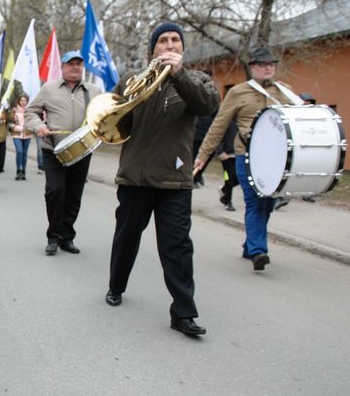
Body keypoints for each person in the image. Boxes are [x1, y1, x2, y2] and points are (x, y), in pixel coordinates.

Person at [105, 21, 219, 336]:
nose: (169, 45)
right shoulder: (131, 79)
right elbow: (115, 121)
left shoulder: (197, 80)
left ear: (182, 48)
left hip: (174, 182)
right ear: (153, 48)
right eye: (163, 41)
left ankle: (183, 313)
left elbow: (206, 105)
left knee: (177, 247)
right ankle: (116, 285)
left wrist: (179, 74)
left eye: (175, 41)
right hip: (135, 178)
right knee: (126, 238)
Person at [193, 47, 303, 271]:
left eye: (271, 64)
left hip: (276, 160)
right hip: (247, 156)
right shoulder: (237, 92)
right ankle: (258, 251)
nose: (267, 68)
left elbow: (299, 120)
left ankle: (249, 244)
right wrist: (203, 155)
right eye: (262, 64)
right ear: (252, 67)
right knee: (254, 202)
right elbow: (219, 125)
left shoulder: (286, 91)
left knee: (268, 203)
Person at [25, 50, 101, 255]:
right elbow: (30, 112)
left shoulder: (94, 91)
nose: (75, 67)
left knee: (74, 196)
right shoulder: (49, 89)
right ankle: (53, 237)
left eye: (79, 63)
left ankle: (67, 237)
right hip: (53, 150)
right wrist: (38, 126)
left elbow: (104, 114)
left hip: (82, 151)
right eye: (71, 63)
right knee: (55, 192)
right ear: (63, 67)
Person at [8, 93, 33, 180]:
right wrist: (17, 128)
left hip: (27, 134)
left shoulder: (30, 111)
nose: (23, 102)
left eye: (25, 100)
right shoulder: (14, 110)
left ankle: (23, 172)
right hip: (17, 135)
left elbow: (33, 122)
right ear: (19, 101)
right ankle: (18, 170)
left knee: (25, 153)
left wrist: (29, 127)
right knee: (19, 152)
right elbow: (9, 123)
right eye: (21, 100)